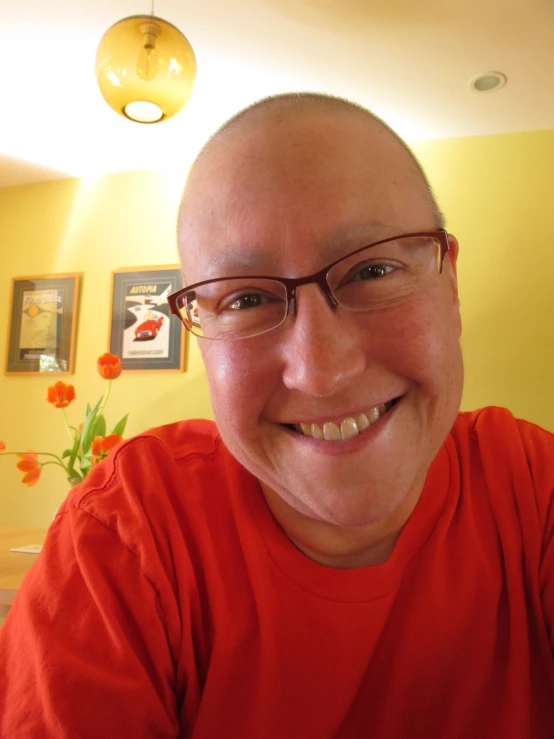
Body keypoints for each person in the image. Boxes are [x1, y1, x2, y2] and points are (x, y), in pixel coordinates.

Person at [1, 93, 554, 739]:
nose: (320, 370)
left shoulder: (532, 494)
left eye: (373, 268)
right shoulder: (129, 533)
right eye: (246, 298)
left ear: (449, 285)